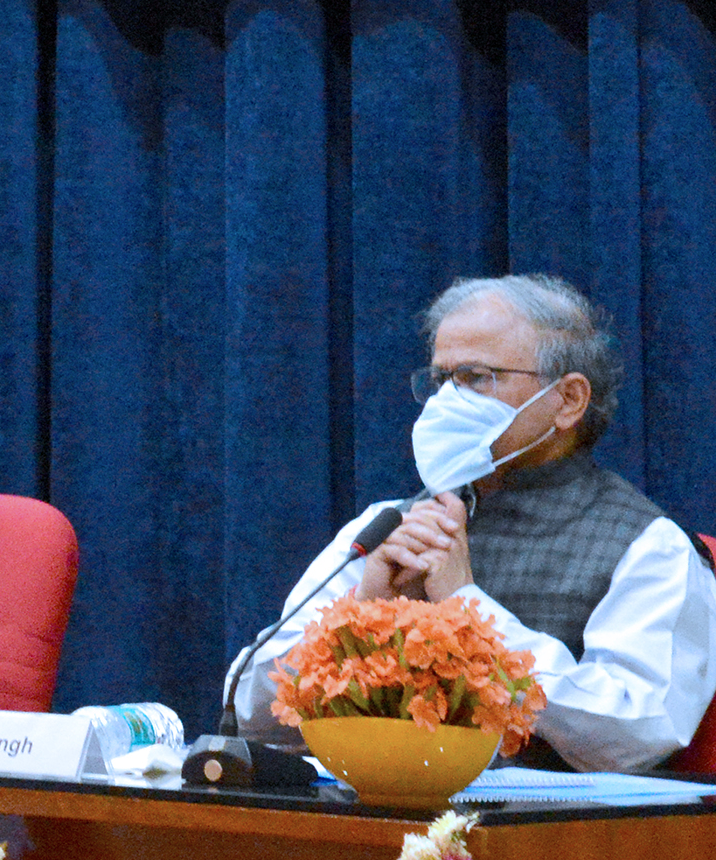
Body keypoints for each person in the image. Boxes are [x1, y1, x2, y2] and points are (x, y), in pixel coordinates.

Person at [231, 274, 715, 772]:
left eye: (475, 377)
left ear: (568, 400)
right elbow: (246, 712)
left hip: (546, 842)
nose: (447, 402)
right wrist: (361, 614)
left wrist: (467, 607)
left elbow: (634, 736)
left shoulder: (650, 545)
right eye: (441, 380)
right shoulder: (388, 526)